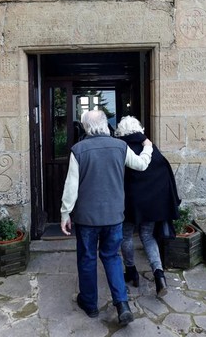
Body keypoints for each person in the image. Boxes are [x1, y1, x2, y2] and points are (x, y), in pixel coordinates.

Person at [60, 109, 153, 326]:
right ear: (105, 124)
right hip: (113, 216)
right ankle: (122, 304)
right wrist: (148, 148)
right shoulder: (120, 146)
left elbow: (71, 186)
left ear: (86, 127)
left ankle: (90, 304)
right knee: (112, 257)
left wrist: (65, 213)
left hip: (87, 218)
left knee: (87, 259)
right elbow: (141, 164)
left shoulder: (78, 150)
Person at [114, 116, 180, 298]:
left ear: (121, 131)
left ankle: (131, 271)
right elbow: (165, 173)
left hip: (128, 204)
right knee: (147, 236)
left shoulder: (120, 148)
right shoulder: (150, 147)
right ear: (139, 129)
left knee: (125, 236)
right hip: (151, 204)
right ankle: (159, 275)